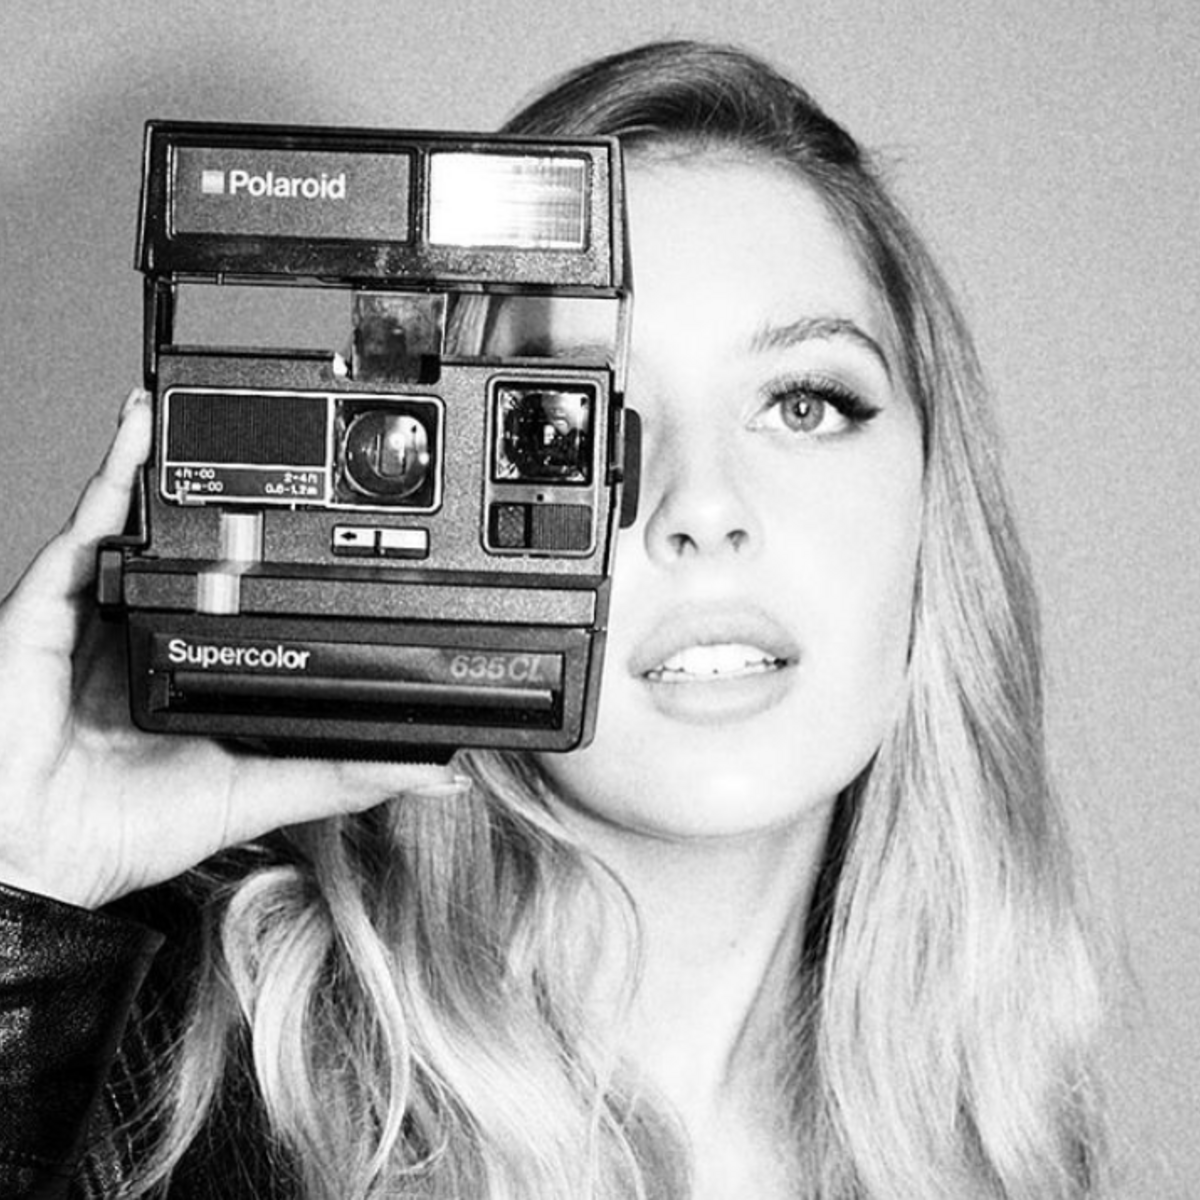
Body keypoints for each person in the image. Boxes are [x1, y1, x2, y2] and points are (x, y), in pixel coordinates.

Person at [0, 39, 1107, 1200]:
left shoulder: (998, 1145)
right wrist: (25, 883)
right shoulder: (171, 1082)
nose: (703, 506)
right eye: (568, 419)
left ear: (934, 501)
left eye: (805, 403)